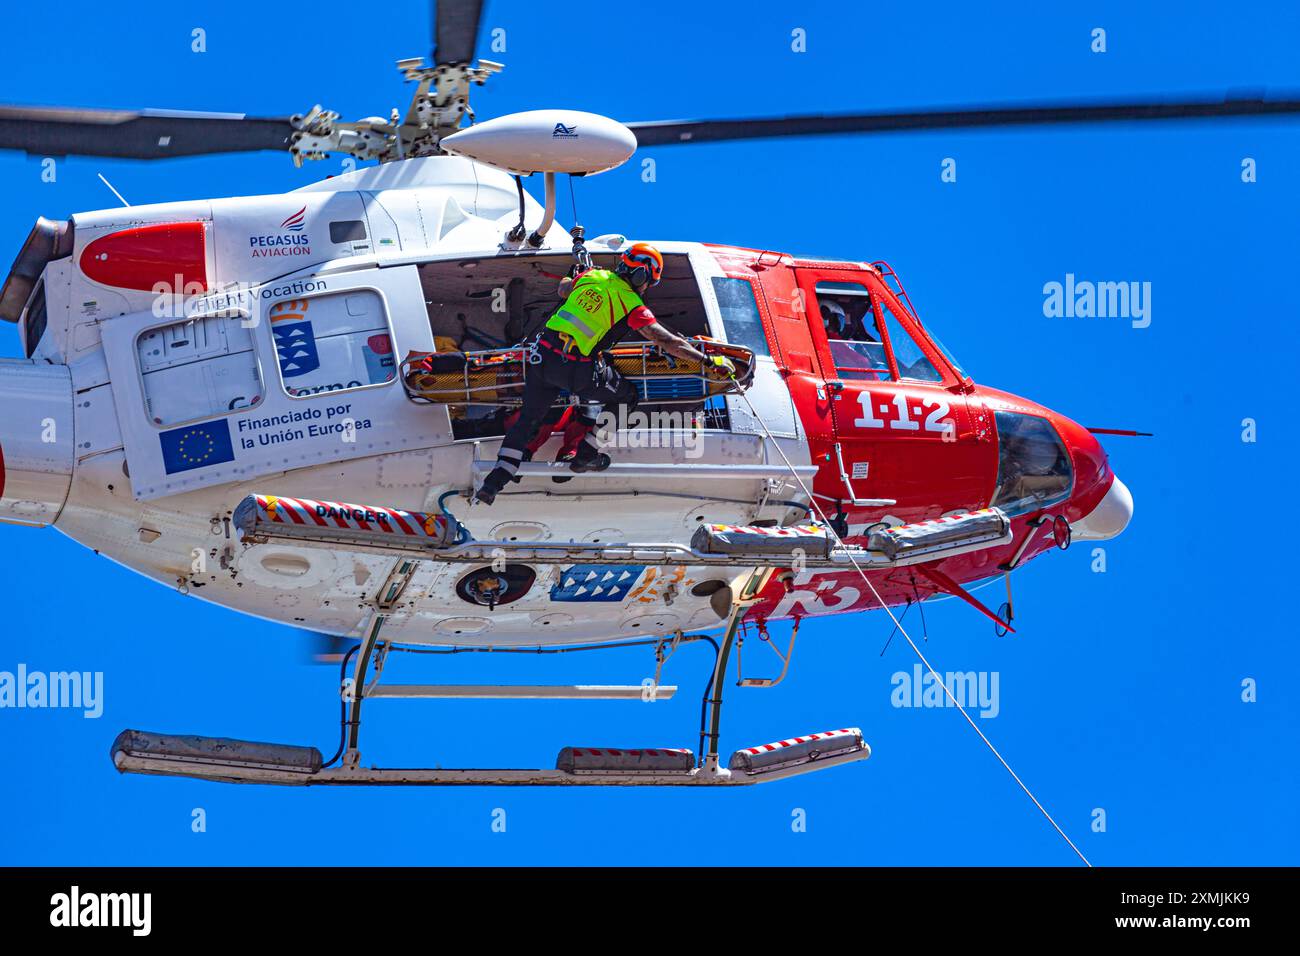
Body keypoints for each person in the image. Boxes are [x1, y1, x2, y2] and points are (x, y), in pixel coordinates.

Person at [474, 242, 736, 505]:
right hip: (574, 366)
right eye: (648, 283)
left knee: (527, 420)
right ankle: (587, 454)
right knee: (625, 397)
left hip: (540, 359)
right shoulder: (631, 302)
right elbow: (668, 342)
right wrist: (708, 361)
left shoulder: (592, 275)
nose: (645, 288)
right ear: (641, 275)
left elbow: (563, 289)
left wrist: (573, 275)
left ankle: (494, 482)